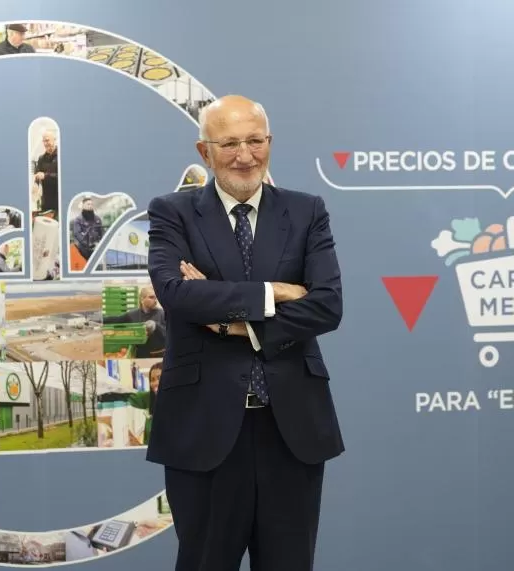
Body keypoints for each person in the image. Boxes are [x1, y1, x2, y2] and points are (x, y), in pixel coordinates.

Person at [145, 94, 344, 571]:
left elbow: (327, 305)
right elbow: (176, 294)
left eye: (255, 140)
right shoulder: (172, 212)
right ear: (204, 151)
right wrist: (274, 292)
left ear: (269, 141)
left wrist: (234, 322)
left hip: (291, 430)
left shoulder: (306, 211)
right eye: (229, 143)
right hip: (204, 429)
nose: (245, 155)